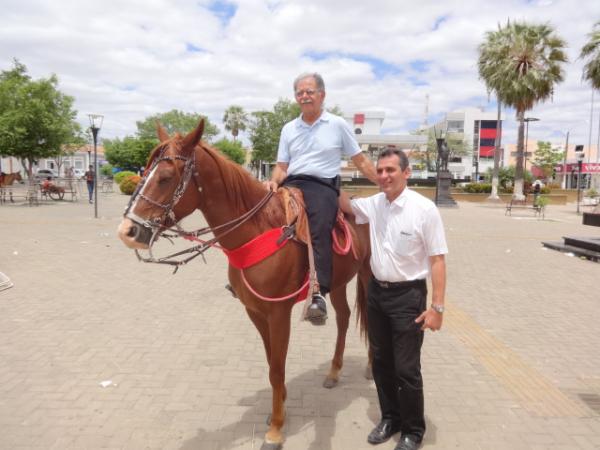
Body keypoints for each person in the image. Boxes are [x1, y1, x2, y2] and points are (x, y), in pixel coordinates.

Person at [342, 148, 448, 450]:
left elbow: (438, 261)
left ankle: (413, 430)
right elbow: (344, 204)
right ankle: (390, 417)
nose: (384, 176)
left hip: (408, 297)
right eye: (381, 170)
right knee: (381, 363)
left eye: (391, 170)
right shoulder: (374, 204)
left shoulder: (424, 209)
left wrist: (437, 308)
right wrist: (320, 173)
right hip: (376, 293)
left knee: (406, 368)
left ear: (406, 172)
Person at [264, 72, 377, 324]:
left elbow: (359, 160)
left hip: (322, 185)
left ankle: (318, 293)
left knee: (318, 226)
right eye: (300, 92)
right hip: (291, 183)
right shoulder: (289, 128)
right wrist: (273, 180)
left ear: (322, 95)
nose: (304, 96)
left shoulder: (336, 124)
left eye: (309, 91)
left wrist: (383, 183)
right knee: (261, 213)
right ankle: (249, 276)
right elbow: (282, 166)